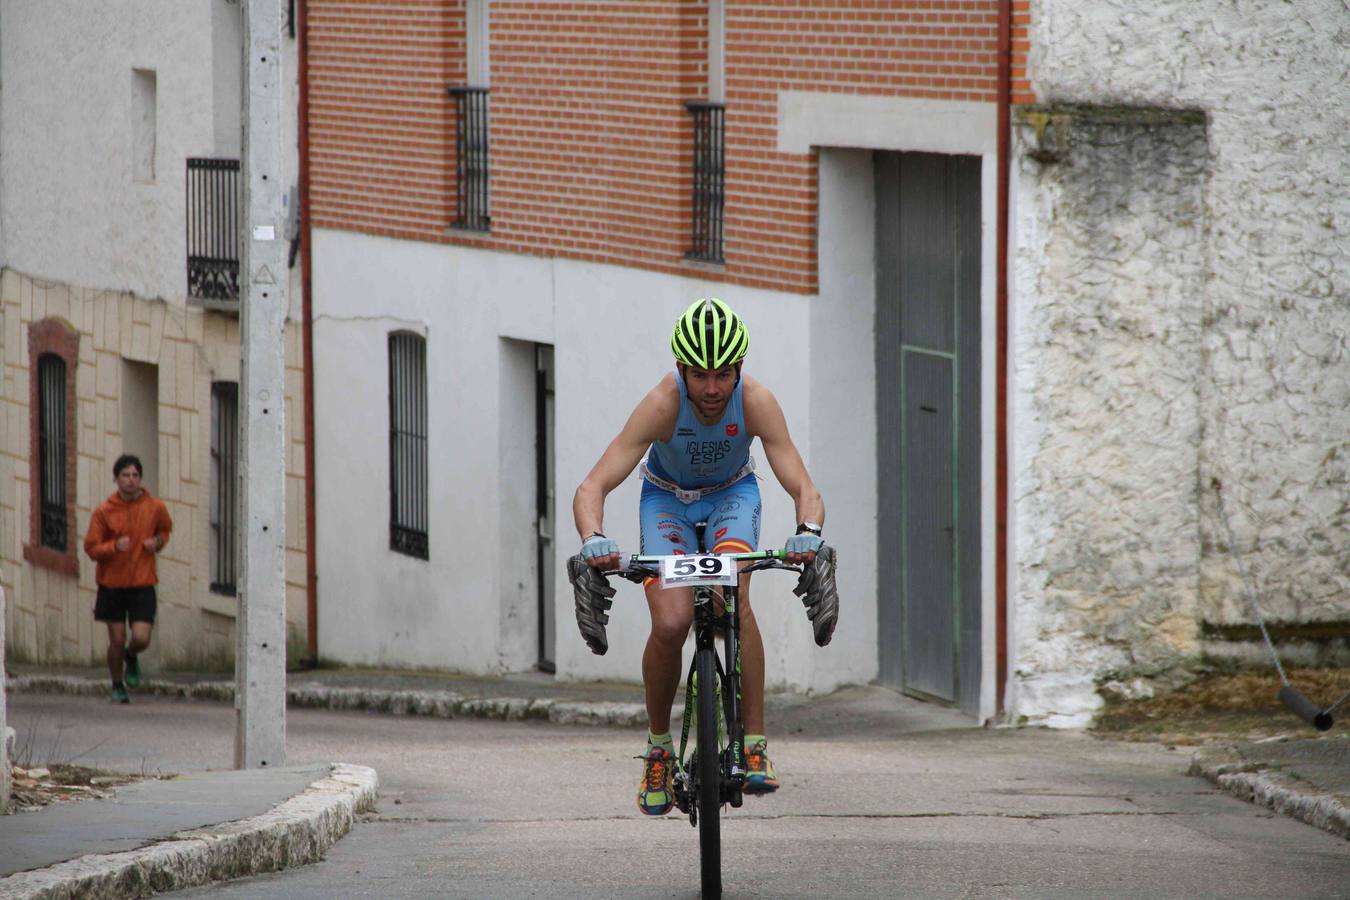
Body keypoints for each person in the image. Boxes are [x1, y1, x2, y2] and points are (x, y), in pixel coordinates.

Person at [572, 297, 827, 816]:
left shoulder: (755, 401)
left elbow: (802, 483)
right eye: (700, 376)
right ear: (681, 370)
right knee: (671, 623)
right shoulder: (662, 405)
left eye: (724, 375)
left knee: (734, 594)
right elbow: (592, 485)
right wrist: (593, 536)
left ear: (739, 370)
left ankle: (753, 743)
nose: (712, 390)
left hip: (734, 495)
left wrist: (807, 529)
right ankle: (659, 749)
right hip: (666, 498)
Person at [83, 454, 173, 704]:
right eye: (125, 475)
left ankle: (131, 656)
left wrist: (156, 542)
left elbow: (165, 530)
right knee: (117, 640)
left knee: (141, 637)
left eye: (135, 475)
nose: (131, 480)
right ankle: (116, 684)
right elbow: (91, 548)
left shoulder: (154, 507)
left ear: (140, 478)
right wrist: (113, 547)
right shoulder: (104, 511)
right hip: (112, 584)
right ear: (116, 479)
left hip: (143, 582)